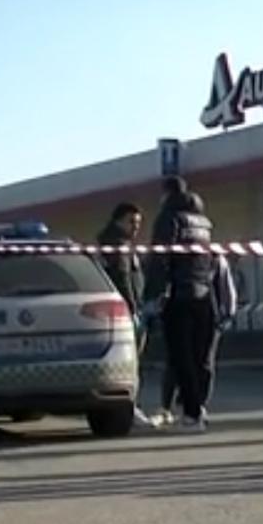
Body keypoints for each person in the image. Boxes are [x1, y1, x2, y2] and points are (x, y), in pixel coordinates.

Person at [143, 176, 215, 432]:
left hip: (178, 295)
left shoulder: (169, 217)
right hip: (203, 294)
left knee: (180, 357)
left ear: (167, 193)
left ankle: (192, 414)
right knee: (197, 356)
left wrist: (152, 294)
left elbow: (160, 258)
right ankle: (197, 407)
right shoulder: (203, 222)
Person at [97, 203, 153, 427]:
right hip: (126, 311)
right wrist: (132, 308)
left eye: (138, 223)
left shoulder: (122, 243)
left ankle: (130, 407)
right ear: (118, 220)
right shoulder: (117, 244)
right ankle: (130, 408)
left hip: (128, 309)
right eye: (132, 222)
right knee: (131, 363)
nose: (136, 227)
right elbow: (123, 278)